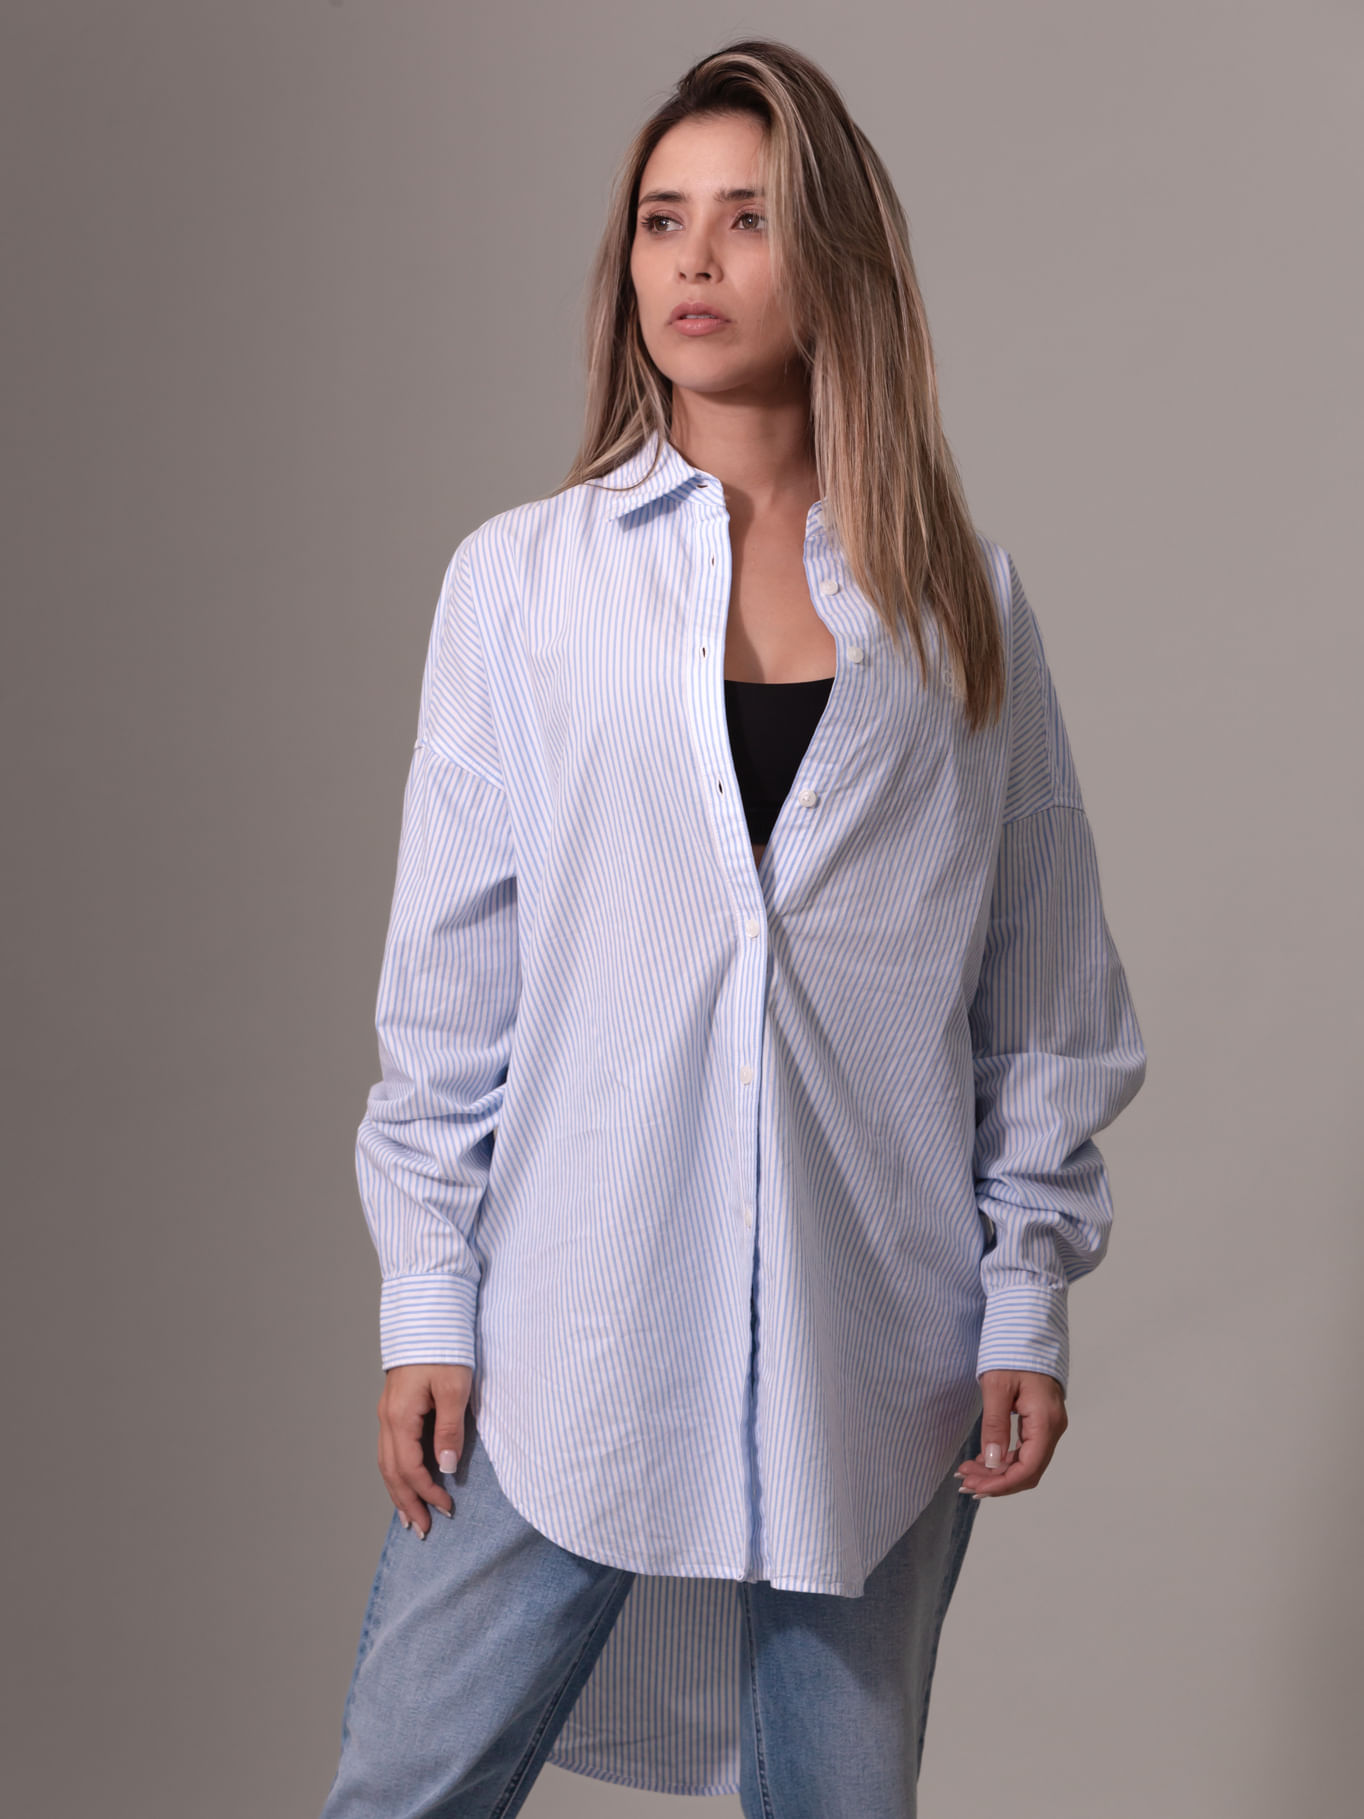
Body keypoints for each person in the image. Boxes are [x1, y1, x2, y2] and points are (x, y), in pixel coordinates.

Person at [318, 36, 1146, 1819]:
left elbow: (1044, 993)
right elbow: (451, 985)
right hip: (567, 1324)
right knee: (405, 1787)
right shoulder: (523, 584)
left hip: (874, 1351)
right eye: (660, 219)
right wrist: (426, 1298)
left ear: (833, 258)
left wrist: (1024, 1304)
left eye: (748, 219)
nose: (692, 260)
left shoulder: (961, 607)